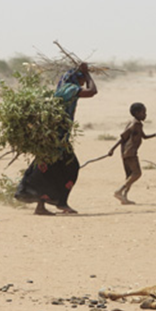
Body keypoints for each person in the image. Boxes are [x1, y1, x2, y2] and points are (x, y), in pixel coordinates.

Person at [14, 63, 97, 215]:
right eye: (82, 79)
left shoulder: (64, 89)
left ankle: (43, 206)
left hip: (56, 136)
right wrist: (87, 73)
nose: (84, 82)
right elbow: (92, 91)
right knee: (70, 167)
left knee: (46, 169)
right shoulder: (69, 89)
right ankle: (61, 203)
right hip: (57, 139)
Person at [108, 102, 156, 204]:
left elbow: (143, 137)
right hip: (130, 152)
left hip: (126, 152)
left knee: (129, 176)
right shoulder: (135, 124)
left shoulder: (137, 124)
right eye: (143, 113)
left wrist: (154, 135)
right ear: (136, 113)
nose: (145, 115)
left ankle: (124, 197)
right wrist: (112, 149)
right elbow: (123, 137)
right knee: (137, 173)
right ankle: (119, 191)